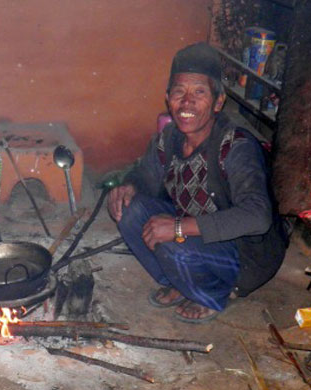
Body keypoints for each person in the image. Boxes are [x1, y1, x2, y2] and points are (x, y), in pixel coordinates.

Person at [107, 42, 287, 323]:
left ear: (218, 102)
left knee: (174, 242)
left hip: (244, 254)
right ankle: (181, 283)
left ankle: (213, 294)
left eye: (199, 92)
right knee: (130, 211)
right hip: (197, 235)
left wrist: (179, 227)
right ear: (168, 98)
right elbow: (145, 176)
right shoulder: (169, 138)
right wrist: (129, 186)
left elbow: (257, 216)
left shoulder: (236, 146)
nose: (186, 102)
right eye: (179, 92)